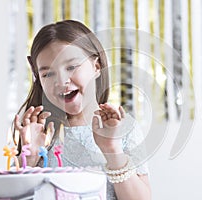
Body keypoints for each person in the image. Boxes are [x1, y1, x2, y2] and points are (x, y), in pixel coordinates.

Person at [13, 19, 151, 199]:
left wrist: (112, 149)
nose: (61, 81)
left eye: (71, 67)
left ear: (96, 66)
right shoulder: (37, 134)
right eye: (47, 73)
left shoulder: (124, 129)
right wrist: (29, 159)